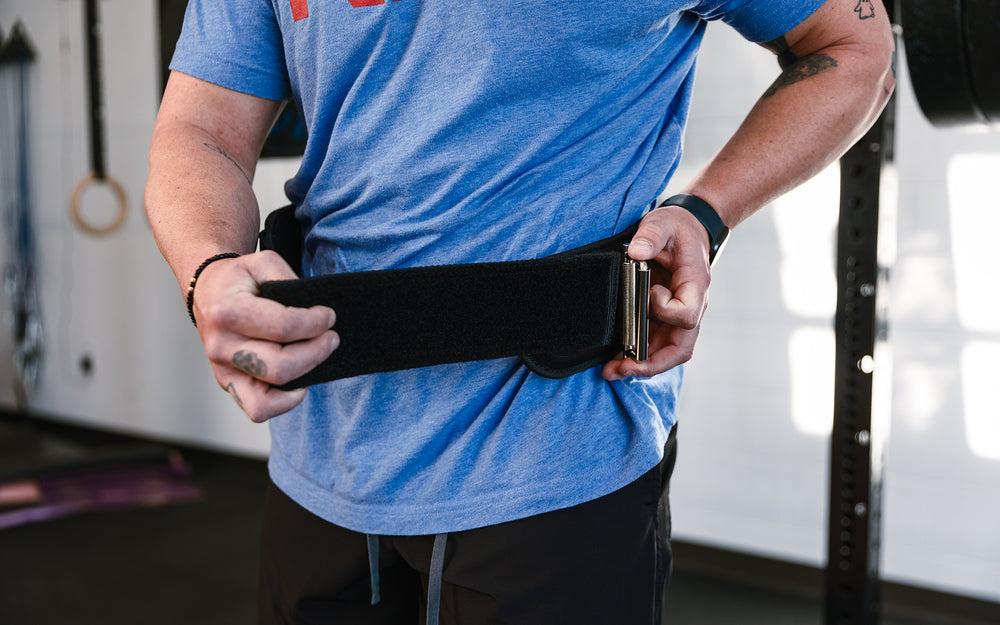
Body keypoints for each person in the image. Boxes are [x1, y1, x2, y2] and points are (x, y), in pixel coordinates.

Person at [145, 0, 894, 623]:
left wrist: (707, 211)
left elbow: (854, 47)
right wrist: (209, 266)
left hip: (558, 458)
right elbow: (201, 127)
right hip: (324, 448)